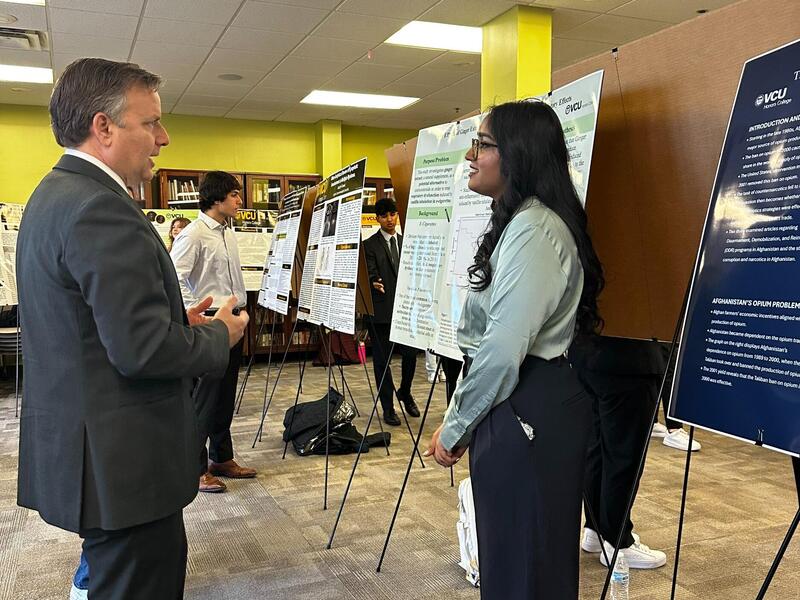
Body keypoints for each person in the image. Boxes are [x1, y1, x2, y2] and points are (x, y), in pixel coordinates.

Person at [17, 57, 248, 600]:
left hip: (88, 449)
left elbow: (90, 325)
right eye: (151, 123)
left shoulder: (54, 196)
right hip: (121, 462)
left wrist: (178, 322)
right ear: (104, 127)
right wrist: (220, 335)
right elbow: (141, 350)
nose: (163, 138)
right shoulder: (102, 208)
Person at [425, 100, 604, 599]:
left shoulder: (535, 229)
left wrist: (456, 425)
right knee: (513, 557)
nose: (470, 156)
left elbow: (502, 350)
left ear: (518, 154)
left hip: (529, 406)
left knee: (526, 563)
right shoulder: (521, 221)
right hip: (520, 402)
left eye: (482, 144)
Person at [172, 171, 256, 493]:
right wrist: (197, 312)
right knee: (204, 398)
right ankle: (194, 468)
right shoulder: (193, 234)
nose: (239, 200)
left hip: (233, 321)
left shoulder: (227, 232)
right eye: (234, 195)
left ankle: (221, 457)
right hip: (209, 323)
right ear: (217, 198)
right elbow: (175, 278)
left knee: (225, 395)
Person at [570, 336, 668, 569]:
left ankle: (595, 529)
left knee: (596, 448)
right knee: (624, 455)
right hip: (631, 361)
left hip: (588, 354)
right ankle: (618, 542)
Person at [363, 197, 420, 426]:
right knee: (382, 361)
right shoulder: (369, 245)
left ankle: (404, 391)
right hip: (380, 312)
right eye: (385, 215)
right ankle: (388, 407)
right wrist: (372, 281)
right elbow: (367, 273)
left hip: (406, 311)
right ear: (377, 218)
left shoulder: (407, 242)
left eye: (393, 214)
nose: (390, 219)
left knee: (410, 354)